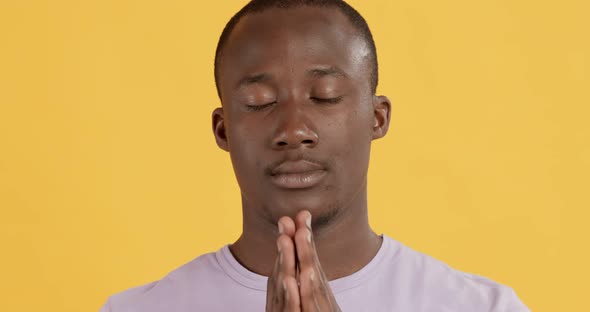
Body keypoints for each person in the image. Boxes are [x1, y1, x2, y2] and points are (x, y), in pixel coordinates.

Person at [100, 0, 530, 311]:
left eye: (324, 98)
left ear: (376, 118)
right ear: (222, 128)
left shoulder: (484, 307)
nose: (293, 131)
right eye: (259, 102)